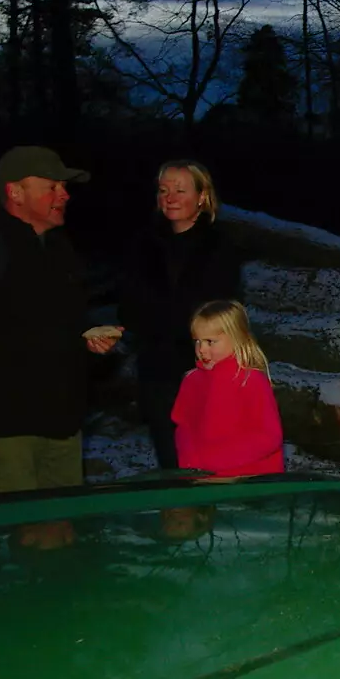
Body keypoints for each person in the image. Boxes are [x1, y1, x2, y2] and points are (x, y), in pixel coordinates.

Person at [0, 145, 119, 496]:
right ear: (15, 192)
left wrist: (90, 347)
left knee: (65, 533)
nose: (65, 195)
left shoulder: (61, 251)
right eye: (52, 186)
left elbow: (59, 332)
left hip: (63, 430)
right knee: (25, 537)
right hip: (3, 433)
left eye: (64, 187)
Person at [119, 159, 242, 470]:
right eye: (163, 190)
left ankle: (202, 517)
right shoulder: (142, 244)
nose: (170, 197)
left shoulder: (220, 246)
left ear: (202, 196)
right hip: (158, 371)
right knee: (170, 463)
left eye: (180, 190)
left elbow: (225, 311)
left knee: (204, 464)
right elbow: (129, 305)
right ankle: (174, 516)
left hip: (205, 370)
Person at [171, 300, 284, 476]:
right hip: (203, 481)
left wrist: (214, 461)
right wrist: (190, 463)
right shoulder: (191, 380)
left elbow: (268, 437)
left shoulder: (250, 380)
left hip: (250, 483)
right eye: (197, 341)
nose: (201, 349)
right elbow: (183, 426)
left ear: (237, 338)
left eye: (210, 341)